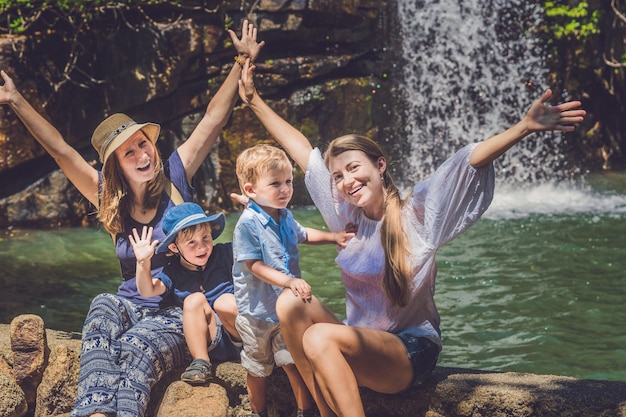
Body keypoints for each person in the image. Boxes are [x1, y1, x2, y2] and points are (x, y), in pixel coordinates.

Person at [236, 58, 586, 417]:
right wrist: (254, 101)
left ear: (380, 165)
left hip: (410, 350)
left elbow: (466, 163)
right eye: (338, 176)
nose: (346, 181)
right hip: (360, 343)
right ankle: (318, 411)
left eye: (354, 168)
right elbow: (304, 153)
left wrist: (523, 127)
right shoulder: (345, 213)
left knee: (318, 336)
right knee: (289, 304)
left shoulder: (416, 214)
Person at [0, 20, 263, 417]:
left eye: (144, 144)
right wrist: (16, 99)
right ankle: (96, 412)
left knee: (136, 346)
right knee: (102, 308)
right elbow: (61, 152)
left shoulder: (176, 175)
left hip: (178, 308)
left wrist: (240, 59)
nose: (143, 155)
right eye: (129, 152)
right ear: (116, 166)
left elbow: (211, 119)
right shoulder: (109, 199)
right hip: (131, 300)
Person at [232, 144, 355, 417]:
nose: (285, 189)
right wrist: (288, 282)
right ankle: (258, 412)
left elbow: (305, 235)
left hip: (286, 313)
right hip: (257, 314)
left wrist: (334, 237)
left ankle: (305, 410)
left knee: (293, 363)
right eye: (275, 183)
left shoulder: (285, 215)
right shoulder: (248, 224)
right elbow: (254, 265)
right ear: (251, 190)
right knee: (257, 369)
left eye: (288, 181)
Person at [129, 202, 241, 386]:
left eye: (206, 238)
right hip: (213, 341)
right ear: (174, 248)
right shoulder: (173, 272)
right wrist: (142, 263)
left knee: (226, 301)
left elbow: (255, 246)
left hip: (240, 333)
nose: (202, 247)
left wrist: (256, 211)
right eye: (191, 243)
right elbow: (148, 290)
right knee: (193, 300)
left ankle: (266, 348)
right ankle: (201, 363)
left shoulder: (223, 254)